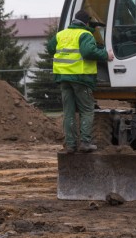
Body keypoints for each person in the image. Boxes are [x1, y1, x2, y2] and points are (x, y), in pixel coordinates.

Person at [48, 10, 114, 153]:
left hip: (63, 78)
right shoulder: (85, 34)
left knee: (69, 112)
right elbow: (88, 52)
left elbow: (50, 48)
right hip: (81, 78)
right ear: (86, 23)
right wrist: (105, 55)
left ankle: (70, 145)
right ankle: (85, 142)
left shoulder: (61, 34)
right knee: (87, 110)